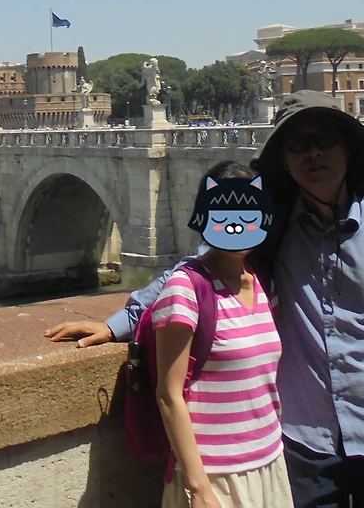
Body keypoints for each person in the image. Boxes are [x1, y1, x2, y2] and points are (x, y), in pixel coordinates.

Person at [46, 91, 364, 507]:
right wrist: (118, 322)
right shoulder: (273, 235)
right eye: (297, 146)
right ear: (285, 162)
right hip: (304, 447)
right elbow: (195, 270)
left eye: (324, 140)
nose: (312, 154)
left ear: (347, 148)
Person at [151, 161, 293, 508]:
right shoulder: (185, 287)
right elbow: (169, 396)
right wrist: (199, 490)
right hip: (213, 477)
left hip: (270, 462)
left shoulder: (263, 284)